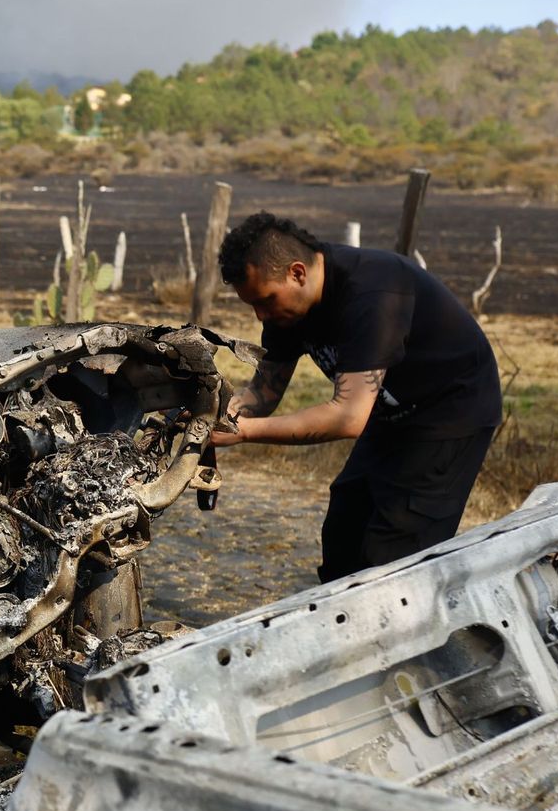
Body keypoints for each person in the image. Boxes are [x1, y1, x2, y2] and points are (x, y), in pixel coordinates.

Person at [210, 212, 502, 582]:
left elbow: (347, 417)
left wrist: (246, 432)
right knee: (345, 529)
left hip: (451, 412)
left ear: (297, 273)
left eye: (265, 300)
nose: (260, 315)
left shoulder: (372, 293)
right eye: (252, 305)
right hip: (390, 412)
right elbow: (263, 393)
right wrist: (216, 417)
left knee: (394, 553)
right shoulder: (286, 312)